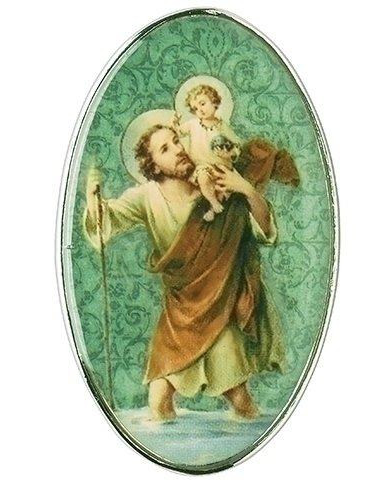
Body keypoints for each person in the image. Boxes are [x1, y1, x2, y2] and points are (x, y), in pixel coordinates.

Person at [85, 124, 286, 421]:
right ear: (153, 165)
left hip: (219, 307)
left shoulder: (214, 179)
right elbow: (107, 221)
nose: (178, 149)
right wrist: (93, 199)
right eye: (165, 149)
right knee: (158, 404)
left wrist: (246, 189)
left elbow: (263, 230)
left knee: (241, 402)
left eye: (176, 141)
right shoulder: (146, 197)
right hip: (179, 313)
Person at [171, 84, 242, 220]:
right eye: (195, 109)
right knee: (204, 181)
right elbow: (179, 133)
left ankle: (213, 209)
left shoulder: (222, 126)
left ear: (214, 102)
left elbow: (236, 145)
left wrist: (229, 154)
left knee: (223, 191)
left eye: (202, 104)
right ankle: (213, 203)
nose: (200, 110)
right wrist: (175, 124)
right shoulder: (192, 124)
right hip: (203, 166)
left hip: (222, 166)